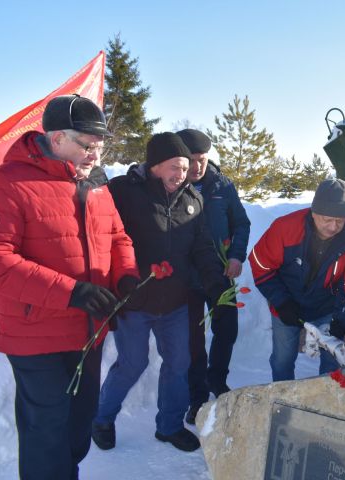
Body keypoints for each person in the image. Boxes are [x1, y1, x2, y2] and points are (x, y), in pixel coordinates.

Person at [0, 94, 139, 479]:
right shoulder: (5, 184)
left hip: (89, 332)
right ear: (56, 138)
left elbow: (118, 237)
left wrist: (127, 274)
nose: (95, 156)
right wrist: (73, 292)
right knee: (46, 436)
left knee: (75, 432)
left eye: (101, 147)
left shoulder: (96, 185)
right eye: (88, 146)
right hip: (36, 335)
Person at [91, 132, 227, 453]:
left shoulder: (193, 200)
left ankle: (169, 426)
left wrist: (215, 280)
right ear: (154, 165)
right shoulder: (124, 192)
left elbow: (202, 248)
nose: (182, 173)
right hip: (134, 300)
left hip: (175, 302)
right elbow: (101, 228)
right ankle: (101, 418)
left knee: (179, 363)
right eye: (175, 166)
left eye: (185, 167)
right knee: (132, 363)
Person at [250, 179, 345, 380]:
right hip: (287, 302)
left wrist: (340, 322)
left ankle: (326, 401)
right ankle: (282, 398)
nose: (332, 227)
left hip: (327, 307)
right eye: (327, 219)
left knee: (332, 361)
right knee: (282, 359)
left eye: (339, 221)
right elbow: (261, 265)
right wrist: (282, 302)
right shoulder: (285, 228)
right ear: (314, 212)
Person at [176, 129, 251, 425]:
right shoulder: (172, 185)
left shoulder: (222, 185)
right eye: (191, 161)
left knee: (226, 330)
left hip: (221, 274)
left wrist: (236, 256)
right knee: (194, 340)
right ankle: (196, 398)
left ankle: (216, 381)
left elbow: (241, 224)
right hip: (188, 279)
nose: (196, 167)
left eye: (202, 160)